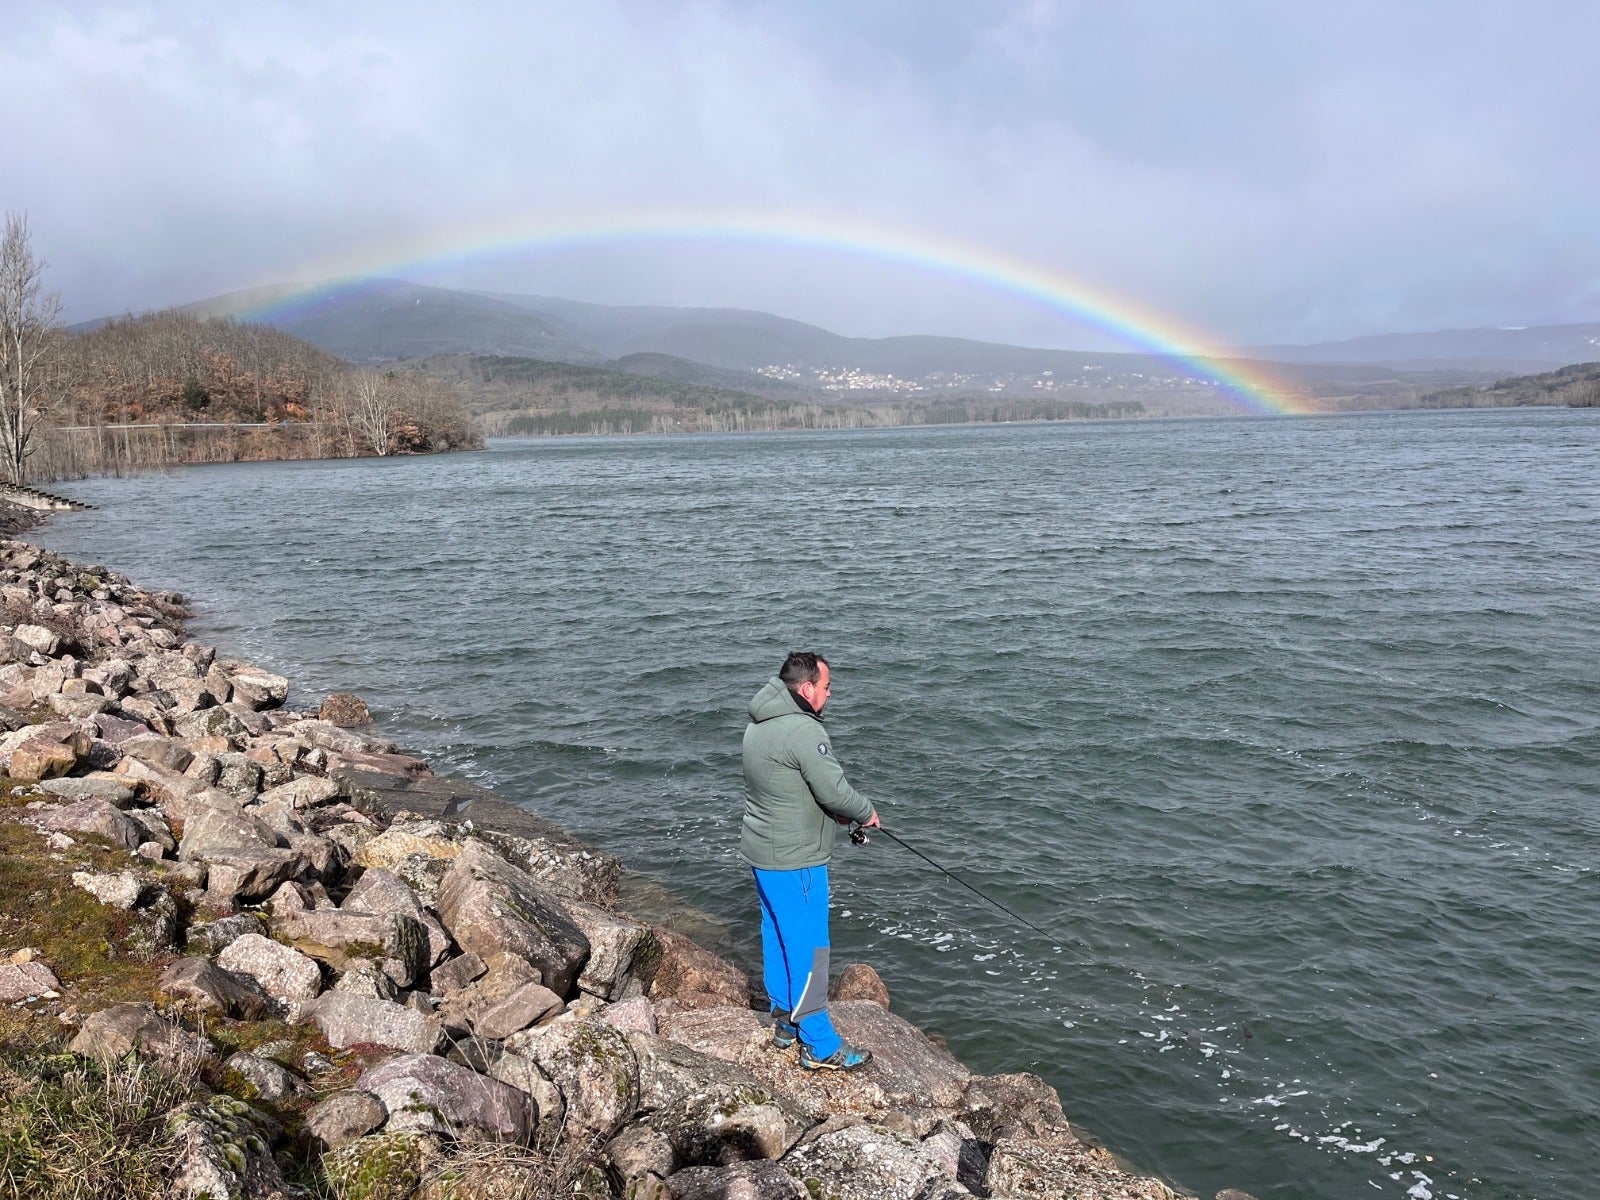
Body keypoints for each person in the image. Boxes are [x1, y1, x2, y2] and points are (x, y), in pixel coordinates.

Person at [740, 651, 881, 1071]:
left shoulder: (757, 725)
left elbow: (787, 788)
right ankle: (820, 1044)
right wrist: (865, 811)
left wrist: (832, 812)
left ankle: (785, 1020)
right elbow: (834, 790)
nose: (830, 693)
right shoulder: (803, 731)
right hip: (796, 861)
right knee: (811, 948)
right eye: (826, 686)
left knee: (777, 934)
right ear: (806, 689)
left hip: (763, 854)